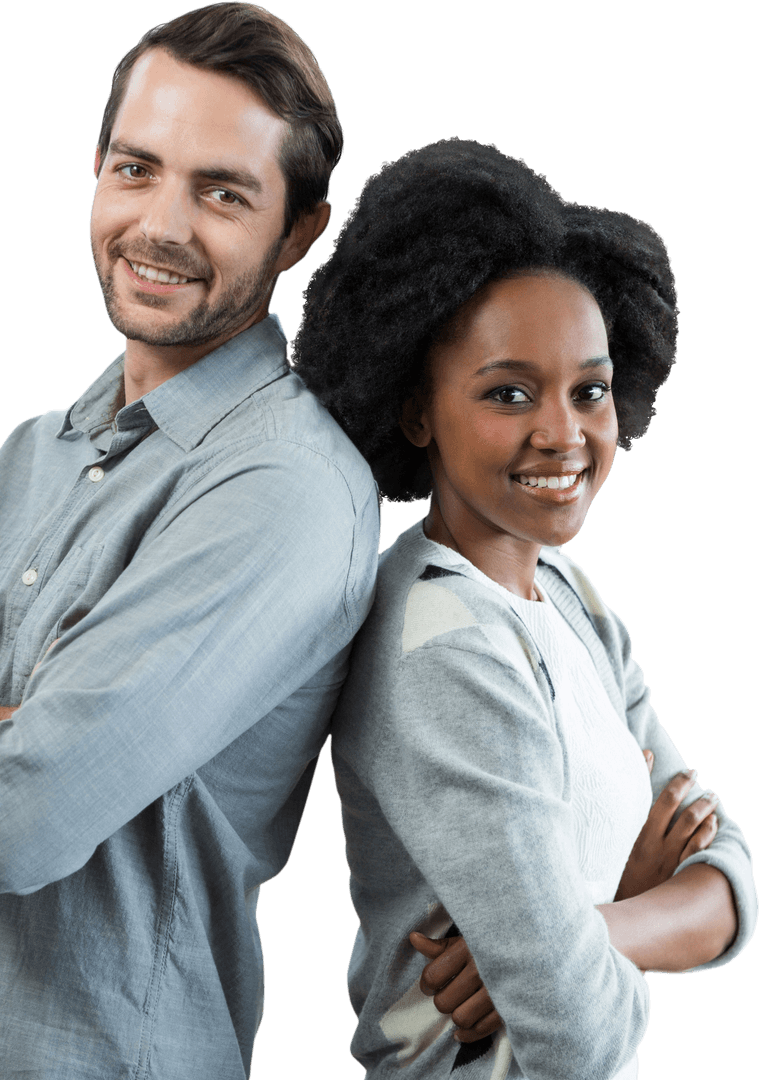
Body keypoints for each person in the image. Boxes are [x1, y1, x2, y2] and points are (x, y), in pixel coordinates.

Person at [0, 5, 378, 1079]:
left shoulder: (286, 489)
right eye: (137, 169)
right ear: (95, 169)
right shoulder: (36, 449)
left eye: (223, 192)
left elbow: (11, 826)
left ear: (301, 231)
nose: (161, 224)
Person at [292, 138, 757, 1078]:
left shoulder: (573, 601)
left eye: (590, 390)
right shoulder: (439, 644)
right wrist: (577, 946)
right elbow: (581, 1033)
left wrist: (587, 928)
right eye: (509, 393)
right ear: (418, 412)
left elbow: (732, 881)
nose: (564, 432)